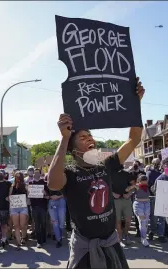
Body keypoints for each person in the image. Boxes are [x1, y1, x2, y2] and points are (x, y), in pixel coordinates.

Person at [47, 77, 145, 269]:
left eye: (90, 136)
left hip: (111, 244)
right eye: (83, 138)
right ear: (73, 150)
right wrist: (64, 138)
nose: (90, 140)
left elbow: (134, 139)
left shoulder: (105, 165)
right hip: (85, 250)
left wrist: (135, 104)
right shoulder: (70, 173)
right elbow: (53, 184)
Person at [111, 165, 136, 247]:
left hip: (126, 200)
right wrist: (112, 194)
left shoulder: (126, 174)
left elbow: (134, 185)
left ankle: (126, 235)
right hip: (116, 201)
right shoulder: (110, 174)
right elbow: (106, 187)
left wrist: (129, 193)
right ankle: (119, 239)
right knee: (117, 221)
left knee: (128, 219)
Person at [127, 174, 151, 247]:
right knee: (142, 221)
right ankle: (143, 238)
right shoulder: (137, 187)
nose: (145, 182)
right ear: (139, 181)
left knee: (146, 222)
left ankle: (143, 237)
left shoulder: (147, 187)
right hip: (138, 205)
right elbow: (127, 190)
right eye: (143, 181)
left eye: (145, 180)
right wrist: (134, 186)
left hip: (147, 204)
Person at [146, 158, 166, 242]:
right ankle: (152, 232)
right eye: (156, 163)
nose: (158, 164)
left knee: (162, 217)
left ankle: (161, 235)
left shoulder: (162, 172)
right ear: (153, 164)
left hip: (161, 197)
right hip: (153, 197)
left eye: (159, 163)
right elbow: (149, 185)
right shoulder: (150, 173)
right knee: (153, 217)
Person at [29, 168, 50, 248]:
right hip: (34, 207)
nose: (36, 174)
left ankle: (43, 238)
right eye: (35, 173)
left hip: (43, 207)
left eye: (38, 173)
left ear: (40, 174)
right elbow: (28, 195)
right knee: (37, 224)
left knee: (43, 223)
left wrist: (44, 193)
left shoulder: (44, 183)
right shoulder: (30, 183)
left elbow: (48, 196)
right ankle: (39, 241)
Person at [10, 172, 29, 250]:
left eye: (19, 176)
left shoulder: (26, 186)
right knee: (16, 226)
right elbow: (10, 196)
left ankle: (23, 236)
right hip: (14, 208)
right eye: (16, 177)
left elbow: (29, 195)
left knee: (22, 224)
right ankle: (18, 242)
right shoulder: (12, 187)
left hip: (23, 207)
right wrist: (8, 198)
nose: (18, 178)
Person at [47, 177, 67, 248]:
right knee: (55, 223)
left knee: (61, 223)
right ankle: (59, 240)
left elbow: (67, 193)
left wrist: (58, 196)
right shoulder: (47, 181)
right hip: (52, 202)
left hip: (61, 201)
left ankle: (60, 236)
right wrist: (48, 196)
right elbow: (46, 195)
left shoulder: (63, 180)